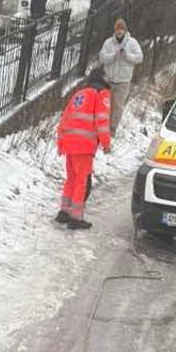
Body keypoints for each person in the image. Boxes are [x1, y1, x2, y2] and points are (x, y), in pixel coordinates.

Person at [55, 65, 112, 231]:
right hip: (84, 145)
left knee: (71, 178)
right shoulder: (102, 94)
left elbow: (65, 118)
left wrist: (61, 142)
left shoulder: (79, 94)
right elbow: (102, 120)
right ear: (102, 78)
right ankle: (76, 217)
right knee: (81, 180)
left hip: (69, 143)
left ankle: (64, 211)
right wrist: (106, 143)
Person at [98, 17, 144, 133]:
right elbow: (102, 58)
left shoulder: (132, 43)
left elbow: (140, 58)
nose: (119, 31)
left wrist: (127, 56)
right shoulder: (108, 42)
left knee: (118, 105)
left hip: (123, 81)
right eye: (117, 29)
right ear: (115, 30)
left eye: (121, 29)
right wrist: (113, 56)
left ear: (125, 30)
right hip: (108, 79)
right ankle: (103, 126)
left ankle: (112, 128)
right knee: (106, 104)